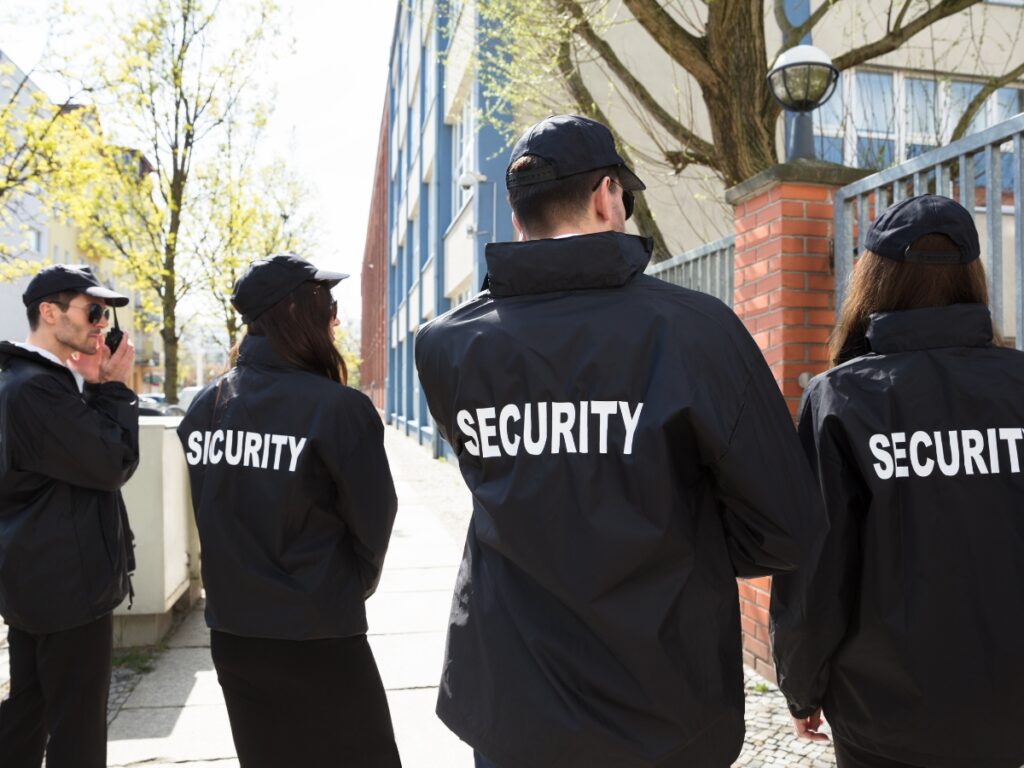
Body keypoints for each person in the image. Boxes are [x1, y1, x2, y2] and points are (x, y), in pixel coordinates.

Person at [414, 114, 822, 767]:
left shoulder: (446, 345)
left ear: (519, 218)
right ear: (608, 196)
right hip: (664, 708)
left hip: (514, 706)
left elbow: (504, 478)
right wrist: (686, 544)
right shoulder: (697, 332)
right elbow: (789, 525)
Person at [770, 195, 1024, 768]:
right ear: (972, 277)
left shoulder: (842, 397)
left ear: (872, 280)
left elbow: (815, 569)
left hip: (885, 712)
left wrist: (801, 684)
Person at [177, 254, 401, 768]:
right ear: (297, 311)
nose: (336, 320)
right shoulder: (336, 408)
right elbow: (374, 521)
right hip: (318, 634)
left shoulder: (205, 408)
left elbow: (212, 515)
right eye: (329, 305)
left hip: (235, 636)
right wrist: (345, 585)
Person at [0, 264, 138, 768]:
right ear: (49, 312)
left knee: (29, 710)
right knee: (76, 728)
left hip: (41, 578)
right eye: (94, 311)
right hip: (63, 586)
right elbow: (111, 461)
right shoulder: (37, 388)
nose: (102, 324)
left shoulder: (35, 382)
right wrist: (115, 388)